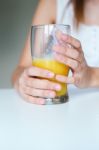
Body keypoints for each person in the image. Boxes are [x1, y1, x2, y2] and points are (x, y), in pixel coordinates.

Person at [12, 0, 99, 105]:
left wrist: (93, 76)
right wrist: (23, 82)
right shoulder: (52, 3)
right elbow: (21, 68)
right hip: (63, 107)